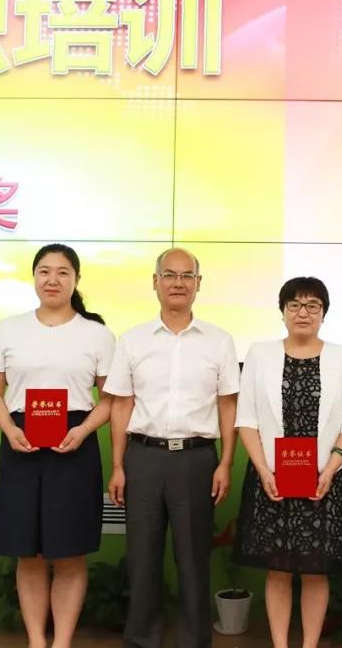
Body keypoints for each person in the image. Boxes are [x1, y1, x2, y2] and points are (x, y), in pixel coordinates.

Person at [0, 244, 115, 648]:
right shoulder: (10, 328)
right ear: (34, 277)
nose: (52, 280)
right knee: (29, 552)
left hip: (75, 443)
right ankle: (37, 640)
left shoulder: (97, 333)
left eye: (62, 272)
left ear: (76, 279)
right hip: (20, 441)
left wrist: (84, 430)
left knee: (70, 551)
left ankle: (62, 642)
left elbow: (112, 398)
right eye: (44, 271)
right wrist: (8, 428)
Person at [103, 247, 240, 648]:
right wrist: (118, 465)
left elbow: (228, 405)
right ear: (155, 282)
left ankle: (194, 640)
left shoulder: (219, 341)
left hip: (197, 460)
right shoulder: (132, 340)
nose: (177, 283)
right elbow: (121, 404)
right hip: (143, 458)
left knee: (194, 558)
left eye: (186, 276)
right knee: (142, 557)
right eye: (169, 275)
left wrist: (226, 462)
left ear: (198, 284)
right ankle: (141, 639)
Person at [232, 276, 342, 648]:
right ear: (282, 311)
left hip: (322, 479)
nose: (303, 312)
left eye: (312, 306)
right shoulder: (259, 354)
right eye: (295, 305)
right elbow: (247, 420)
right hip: (271, 477)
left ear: (323, 313)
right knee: (277, 570)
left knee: (316, 571)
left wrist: (332, 467)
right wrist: (262, 469)